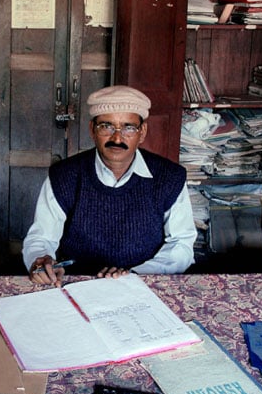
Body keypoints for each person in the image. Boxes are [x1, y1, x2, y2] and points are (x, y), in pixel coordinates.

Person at [23, 84, 196, 286]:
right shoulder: (65, 175)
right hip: (77, 284)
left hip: (144, 284)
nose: (117, 138)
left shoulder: (168, 177)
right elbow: (42, 237)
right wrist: (41, 260)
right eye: (106, 126)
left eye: (128, 127)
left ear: (142, 132)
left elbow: (181, 243)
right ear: (92, 130)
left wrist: (135, 275)